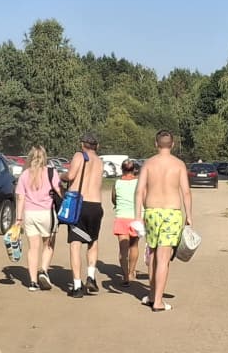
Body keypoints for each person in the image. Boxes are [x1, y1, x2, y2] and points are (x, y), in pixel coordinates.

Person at [135, 129, 191, 313]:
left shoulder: (148, 164)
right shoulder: (179, 164)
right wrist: (189, 215)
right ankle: (158, 301)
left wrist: (137, 216)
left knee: (152, 253)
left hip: (152, 211)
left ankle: (152, 295)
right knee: (163, 257)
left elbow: (139, 191)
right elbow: (186, 192)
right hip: (172, 213)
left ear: (156, 144)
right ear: (172, 144)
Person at [63, 133, 106, 297]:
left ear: (82, 144)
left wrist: (61, 176)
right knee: (92, 241)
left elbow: (71, 175)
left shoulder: (79, 156)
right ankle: (91, 276)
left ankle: (76, 285)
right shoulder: (100, 161)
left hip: (79, 204)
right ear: (97, 146)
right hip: (96, 205)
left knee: (75, 243)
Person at [14, 145, 61, 290]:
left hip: (30, 214)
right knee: (49, 244)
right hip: (47, 213)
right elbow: (59, 191)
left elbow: (20, 198)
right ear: (45, 157)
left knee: (33, 248)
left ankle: (33, 282)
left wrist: (18, 219)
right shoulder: (51, 172)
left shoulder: (24, 175)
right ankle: (44, 270)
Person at [110, 158, 144, 286]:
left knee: (123, 250)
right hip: (136, 217)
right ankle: (131, 272)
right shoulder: (139, 183)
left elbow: (114, 199)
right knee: (134, 246)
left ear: (122, 169)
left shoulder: (117, 183)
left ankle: (125, 276)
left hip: (122, 217)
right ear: (134, 169)